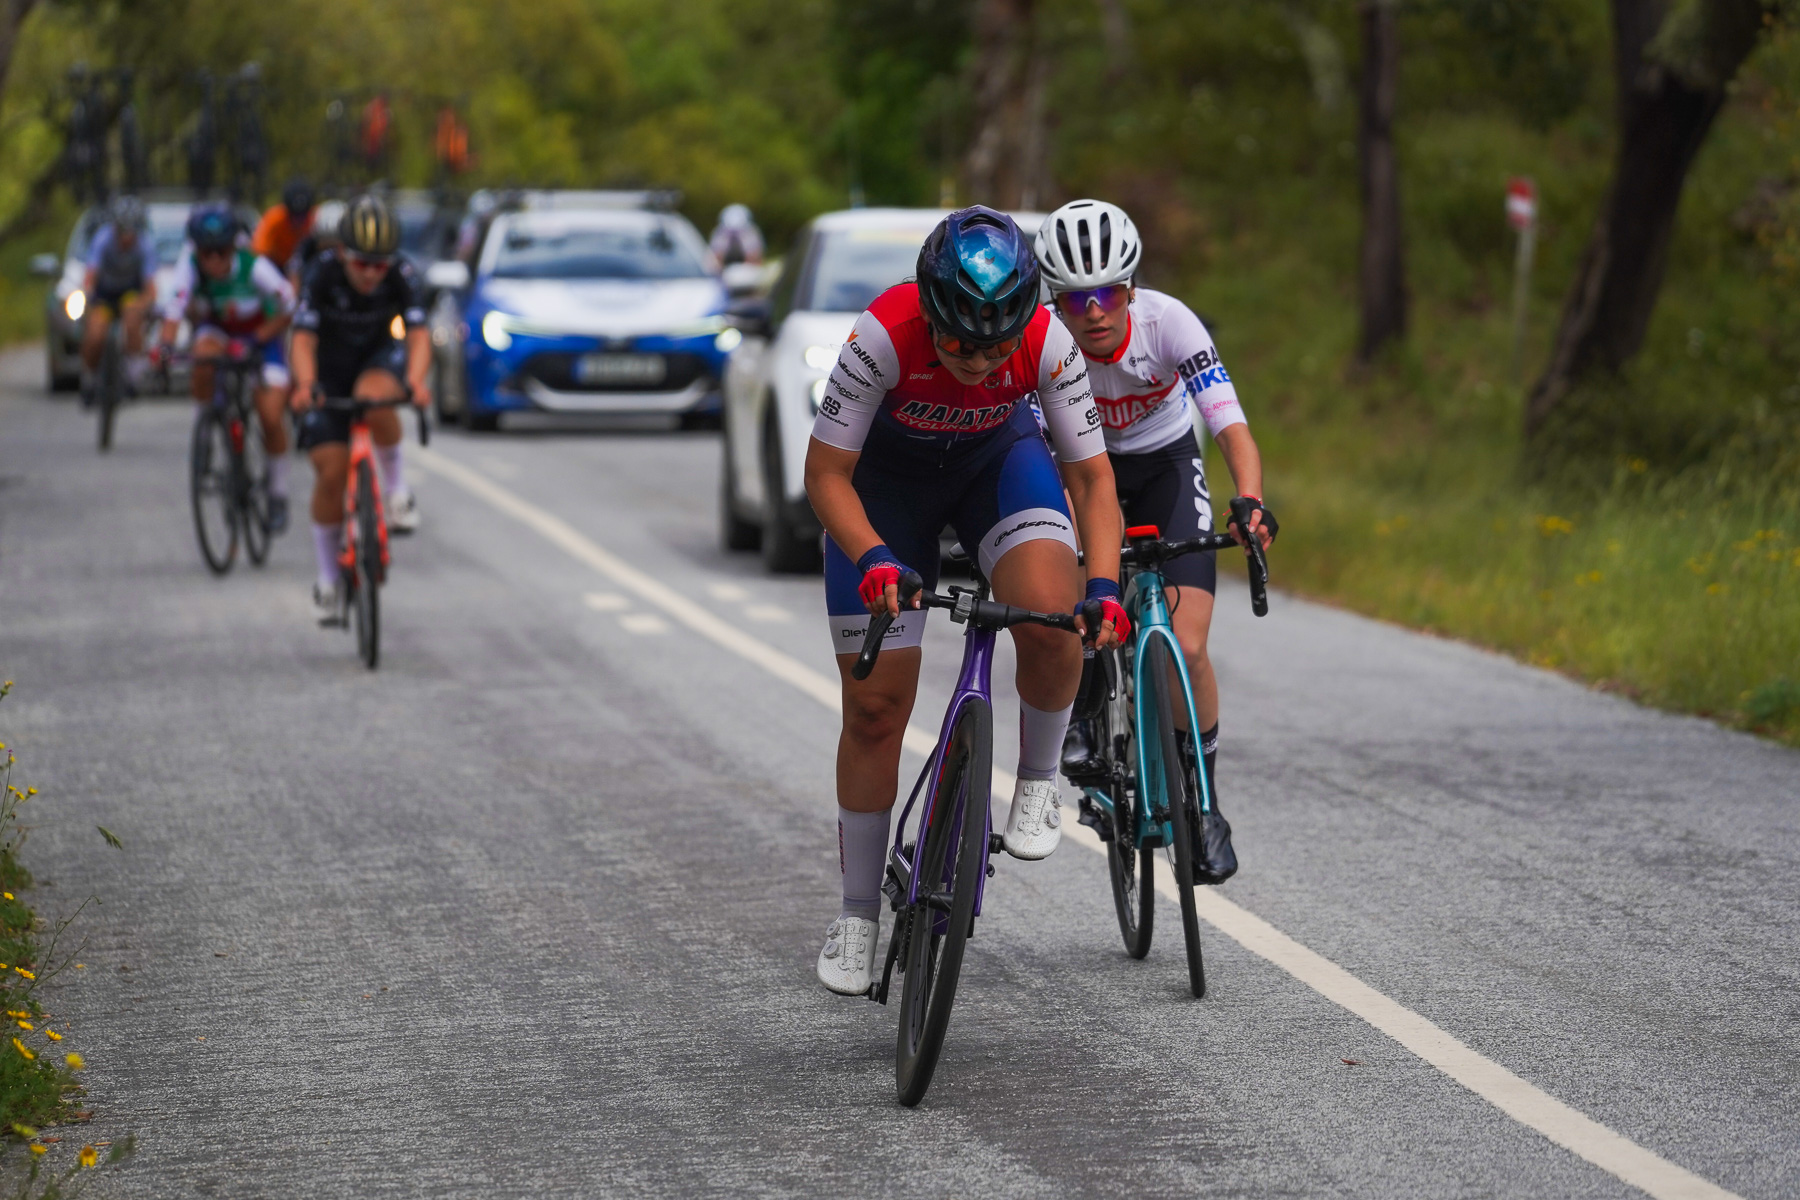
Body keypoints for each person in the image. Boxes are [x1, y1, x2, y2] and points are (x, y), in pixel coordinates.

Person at [803, 206, 1128, 996]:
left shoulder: (1049, 343)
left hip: (995, 468)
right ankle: (856, 915)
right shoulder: (883, 334)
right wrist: (872, 556)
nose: (978, 360)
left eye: (994, 344)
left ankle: (1039, 780)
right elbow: (825, 476)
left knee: (1055, 624)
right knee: (875, 709)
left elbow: (1091, 478)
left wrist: (1107, 588)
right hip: (885, 489)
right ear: (931, 313)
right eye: (958, 342)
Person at [1032, 198, 1277, 886]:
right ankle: (1084, 712)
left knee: (1188, 645)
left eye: (1109, 293)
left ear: (1130, 288)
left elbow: (1228, 422)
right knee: (1080, 602)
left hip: (1167, 464)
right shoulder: (1045, 341)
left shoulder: (1170, 324)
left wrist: (1250, 499)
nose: (1095, 313)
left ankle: (1202, 802)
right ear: (1057, 302)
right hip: (1084, 471)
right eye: (1077, 300)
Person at [288, 194, 431, 625]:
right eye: (361, 263)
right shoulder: (321, 274)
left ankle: (397, 493)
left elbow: (419, 334)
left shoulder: (402, 274)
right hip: (327, 370)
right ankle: (329, 581)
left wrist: (418, 382)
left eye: (379, 264)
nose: (371, 273)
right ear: (342, 254)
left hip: (375, 359)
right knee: (330, 473)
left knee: (375, 397)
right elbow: (303, 338)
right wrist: (306, 385)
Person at [158, 204, 299, 532]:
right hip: (218, 334)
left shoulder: (255, 267)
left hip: (260, 340)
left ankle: (277, 492)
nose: (214, 262)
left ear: (233, 247)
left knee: (270, 415)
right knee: (202, 354)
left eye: (221, 252)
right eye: (206, 254)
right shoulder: (189, 267)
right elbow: (175, 307)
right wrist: (165, 346)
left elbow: (291, 305)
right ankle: (205, 428)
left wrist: (260, 336)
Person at [79, 195, 158, 402]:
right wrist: (86, 297)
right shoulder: (102, 239)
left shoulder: (145, 245)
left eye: (131, 230)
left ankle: (133, 376)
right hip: (104, 294)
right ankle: (90, 377)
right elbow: (90, 276)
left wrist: (146, 304)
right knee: (95, 333)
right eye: (121, 229)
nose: (125, 236)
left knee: (133, 315)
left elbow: (150, 287)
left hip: (129, 294)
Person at [251, 178, 318, 286]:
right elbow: (258, 253)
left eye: (303, 216)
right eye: (294, 216)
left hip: (305, 264)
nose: (299, 221)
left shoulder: (316, 218)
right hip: (277, 266)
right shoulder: (273, 219)